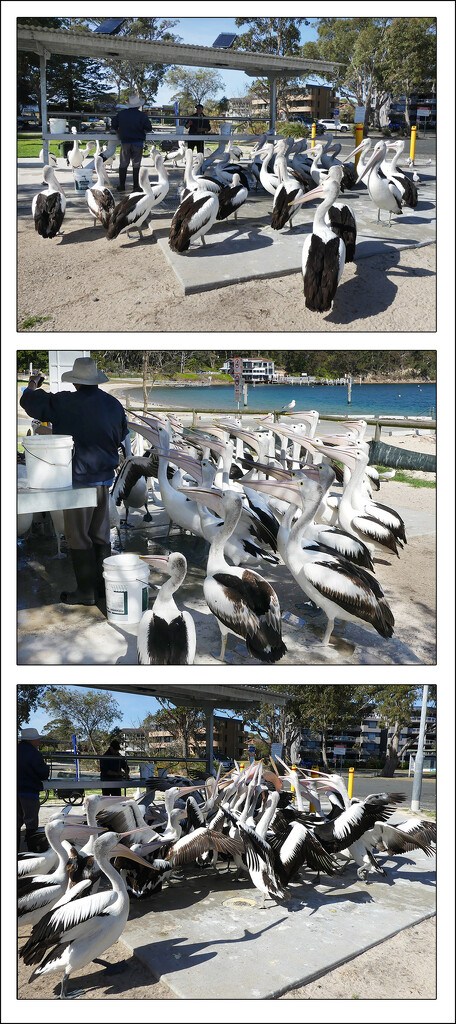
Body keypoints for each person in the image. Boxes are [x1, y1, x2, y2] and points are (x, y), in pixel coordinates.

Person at [20, 356, 131, 608]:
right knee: (100, 534)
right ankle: (104, 591)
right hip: (104, 481)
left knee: (78, 536)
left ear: (76, 382)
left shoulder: (64, 402)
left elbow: (29, 401)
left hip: (79, 481)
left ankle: (86, 593)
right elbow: (120, 436)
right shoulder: (114, 404)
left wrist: (32, 384)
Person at [111, 93, 152, 192]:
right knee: (136, 164)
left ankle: (121, 185)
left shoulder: (121, 114)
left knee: (123, 163)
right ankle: (136, 186)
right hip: (138, 142)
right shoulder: (142, 115)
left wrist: (118, 130)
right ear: (138, 105)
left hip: (125, 142)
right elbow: (149, 128)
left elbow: (113, 123)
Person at [17, 727, 50, 850]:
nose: (39, 741)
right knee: (31, 822)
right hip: (29, 792)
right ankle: (32, 849)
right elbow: (43, 773)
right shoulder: (33, 753)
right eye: (38, 739)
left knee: (17, 821)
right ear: (32, 740)